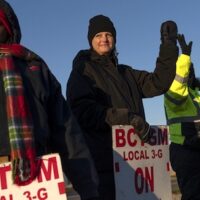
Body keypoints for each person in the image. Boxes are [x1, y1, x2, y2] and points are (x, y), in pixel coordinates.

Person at [66, 14, 179, 199]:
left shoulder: (126, 73)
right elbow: (82, 111)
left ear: (114, 39)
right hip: (104, 168)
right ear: (91, 40)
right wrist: (126, 118)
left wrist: (168, 46)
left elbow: (159, 82)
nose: (104, 39)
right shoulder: (83, 71)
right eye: (98, 35)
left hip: (137, 165)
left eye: (108, 34)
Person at [0, 1, 99, 199]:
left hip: (38, 179)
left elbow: (67, 134)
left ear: (7, 27)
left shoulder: (35, 68)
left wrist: (89, 190)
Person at [164, 34, 200, 199]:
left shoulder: (195, 94)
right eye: (187, 71)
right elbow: (178, 84)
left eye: (191, 70)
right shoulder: (174, 92)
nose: (189, 74)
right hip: (185, 151)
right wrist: (184, 58)